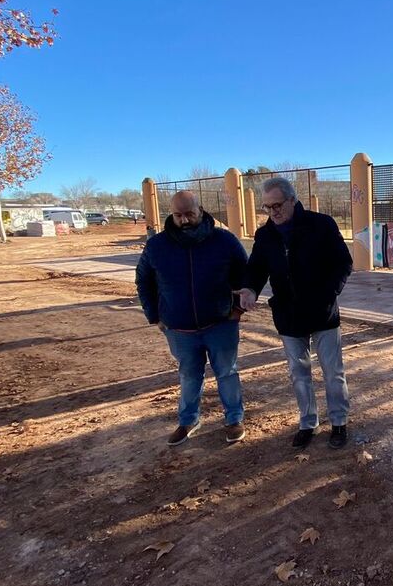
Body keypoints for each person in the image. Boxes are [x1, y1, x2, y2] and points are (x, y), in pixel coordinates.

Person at [238, 178, 353, 449]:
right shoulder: (265, 235)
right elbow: (256, 268)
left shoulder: (321, 224)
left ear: (292, 200)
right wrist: (249, 289)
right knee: (298, 372)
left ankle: (339, 422)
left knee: (333, 372)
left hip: (323, 312)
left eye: (277, 205)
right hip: (288, 315)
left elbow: (343, 262)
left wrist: (329, 293)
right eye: (267, 207)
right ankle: (307, 423)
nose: (273, 212)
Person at [135, 190, 249, 446]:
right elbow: (143, 280)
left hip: (220, 323)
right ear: (171, 214)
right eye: (178, 215)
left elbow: (245, 275)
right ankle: (188, 420)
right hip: (179, 329)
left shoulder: (224, 240)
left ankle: (234, 419)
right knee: (189, 376)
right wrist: (155, 317)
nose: (184, 220)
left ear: (200, 210)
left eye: (189, 214)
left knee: (227, 373)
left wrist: (237, 310)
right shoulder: (157, 245)